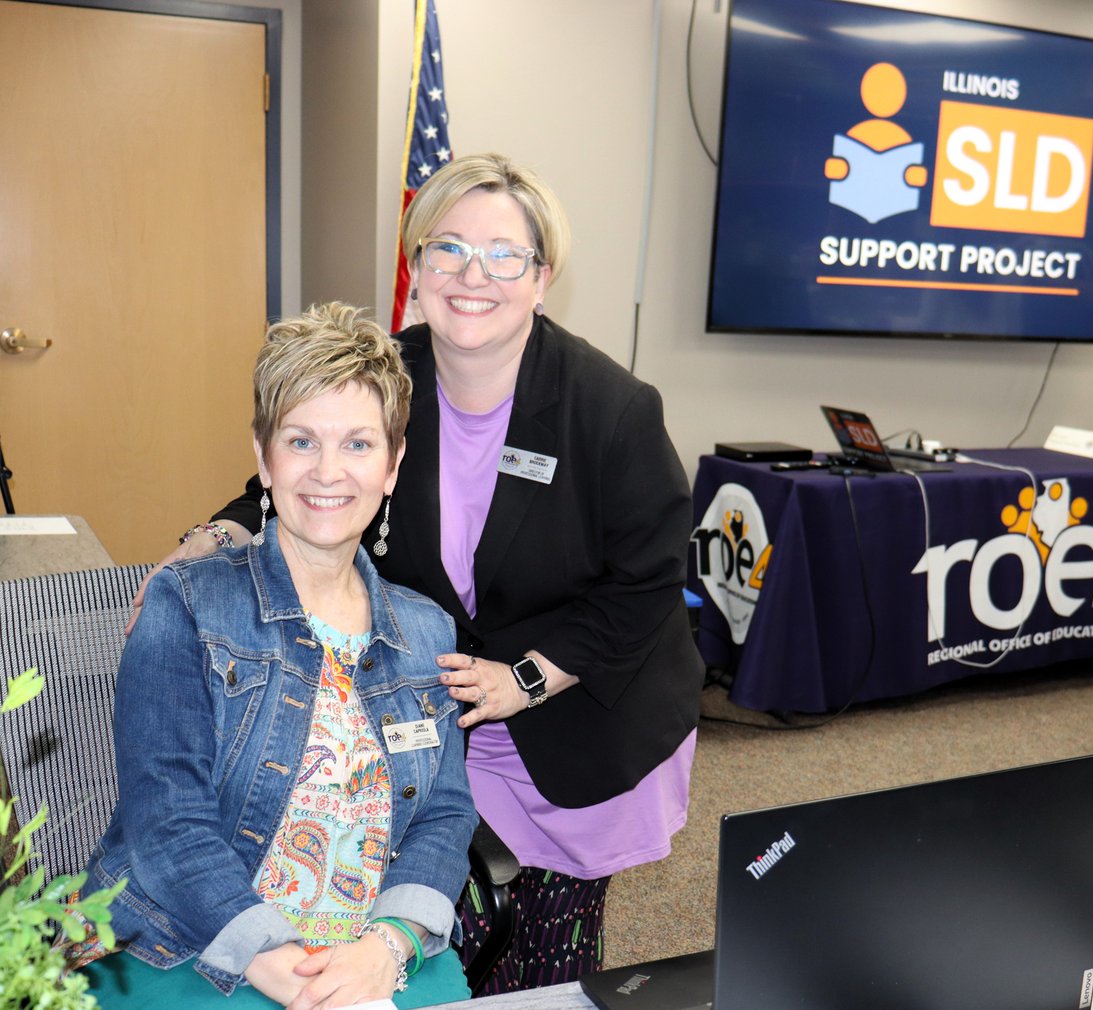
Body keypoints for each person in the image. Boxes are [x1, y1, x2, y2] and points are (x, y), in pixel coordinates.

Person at [137, 153, 704, 993]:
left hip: (587, 703)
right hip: (442, 702)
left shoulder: (610, 409)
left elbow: (648, 586)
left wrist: (528, 680)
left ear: (542, 276)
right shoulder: (392, 378)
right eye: (447, 248)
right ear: (415, 265)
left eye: (503, 254)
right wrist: (209, 538)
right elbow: (310, 470)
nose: (473, 276)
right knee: (439, 908)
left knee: (547, 951)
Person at [79, 304, 476, 1008]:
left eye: (358, 445)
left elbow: (444, 815)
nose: (329, 473)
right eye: (301, 441)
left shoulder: (428, 631)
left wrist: (387, 946)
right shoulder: (189, 605)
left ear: (393, 465)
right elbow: (165, 823)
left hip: (367, 956)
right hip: (194, 942)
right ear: (263, 457)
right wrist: (277, 959)